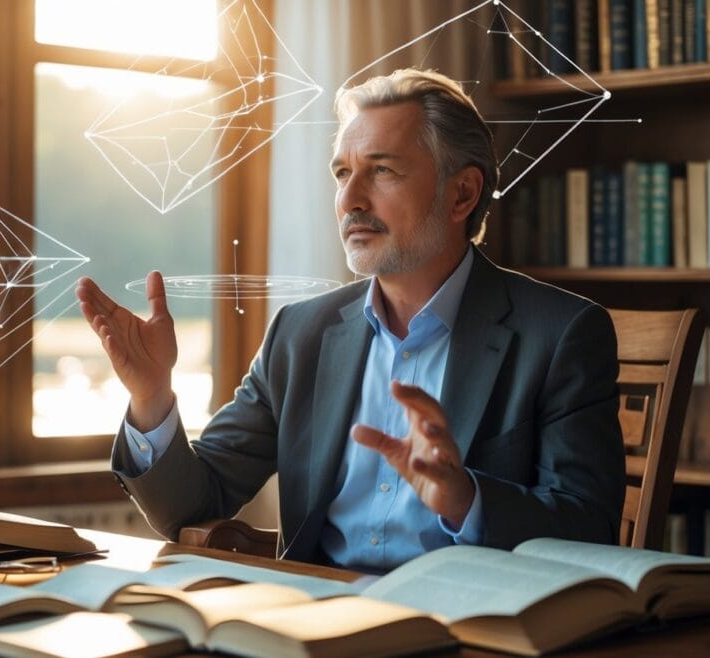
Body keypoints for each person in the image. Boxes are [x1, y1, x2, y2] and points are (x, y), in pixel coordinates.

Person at [76, 67, 624, 573]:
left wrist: (465, 498)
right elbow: (193, 505)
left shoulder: (560, 335)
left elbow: (588, 528)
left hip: (472, 626)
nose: (350, 200)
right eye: (343, 173)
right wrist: (151, 398)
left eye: (382, 170)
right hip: (321, 621)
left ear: (462, 194)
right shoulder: (301, 335)